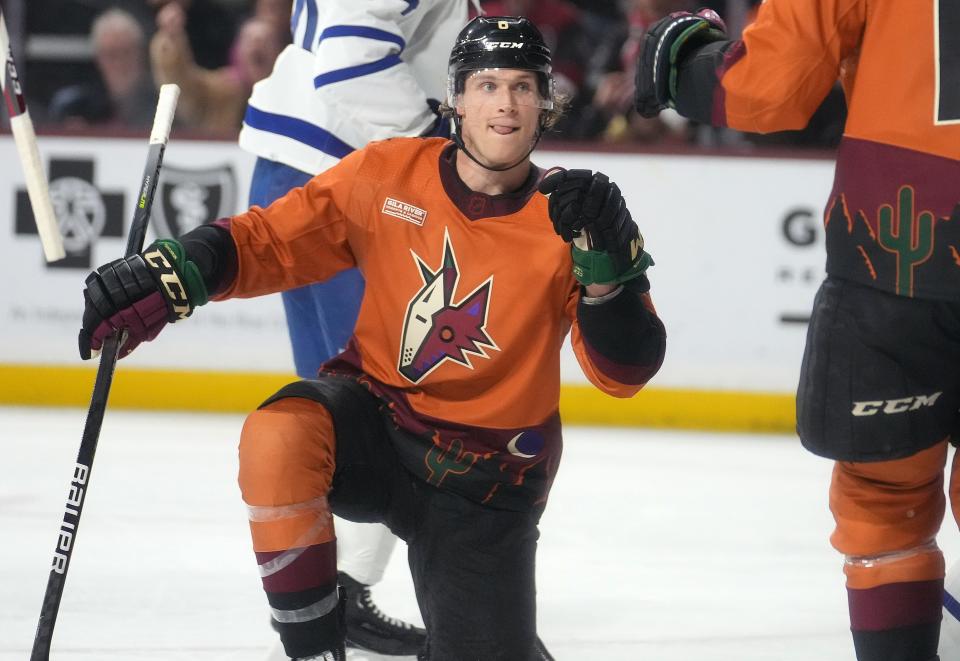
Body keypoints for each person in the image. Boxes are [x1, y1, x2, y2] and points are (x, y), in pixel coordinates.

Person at [78, 15, 666, 660]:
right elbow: (270, 241)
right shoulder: (387, 173)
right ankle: (314, 647)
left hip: (487, 481)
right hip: (378, 427)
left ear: (545, 105)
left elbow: (624, 374)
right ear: (456, 100)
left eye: (524, 87)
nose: (505, 103)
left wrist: (609, 275)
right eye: (488, 84)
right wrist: (177, 271)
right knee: (280, 436)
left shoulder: (573, 218)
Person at [634, 2, 960, 660]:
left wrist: (683, 65)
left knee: (884, 508)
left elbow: (770, 88)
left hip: (892, 250)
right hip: (891, 252)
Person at [237, 0, 472, 654]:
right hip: (339, 181)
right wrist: (443, 146)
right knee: (395, 404)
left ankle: (327, 596)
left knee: (344, 406)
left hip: (310, 166)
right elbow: (348, 62)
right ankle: (338, 590)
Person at [149, 2, 284, 135]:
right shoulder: (219, 92)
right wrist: (172, 39)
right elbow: (183, 87)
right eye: (249, 39)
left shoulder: (288, 94)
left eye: (267, 41)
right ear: (237, 51)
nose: (257, 43)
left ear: (280, 53)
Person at [48, 8, 157, 129]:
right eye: (111, 54)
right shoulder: (77, 106)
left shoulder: (162, 104)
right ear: (99, 59)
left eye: (126, 52)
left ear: (141, 54)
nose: (120, 63)